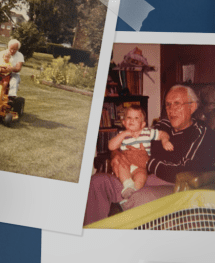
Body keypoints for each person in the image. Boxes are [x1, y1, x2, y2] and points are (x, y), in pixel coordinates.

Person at [84, 85, 215, 226]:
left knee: (139, 198)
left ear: (192, 107)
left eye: (177, 104)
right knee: (97, 182)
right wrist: (117, 155)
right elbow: (135, 141)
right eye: (168, 105)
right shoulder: (162, 125)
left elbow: (185, 169)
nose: (171, 110)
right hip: (142, 176)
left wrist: (147, 162)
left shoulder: (202, 133)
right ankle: (91, 236)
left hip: (174, 185)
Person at [107, 105, 173, 201]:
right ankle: (128, 185)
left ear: (142, 124)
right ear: (124, 122)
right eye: (129, 117)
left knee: (141, 177)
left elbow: (163, 134)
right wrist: (124, 134)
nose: (132, 120)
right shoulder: (122, 134)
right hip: (125, 163)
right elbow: (111, 146)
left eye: (136, 118)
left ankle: (133, 194)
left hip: (140, 167)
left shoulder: (147, 132)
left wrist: (165, 141)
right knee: (121, 166)